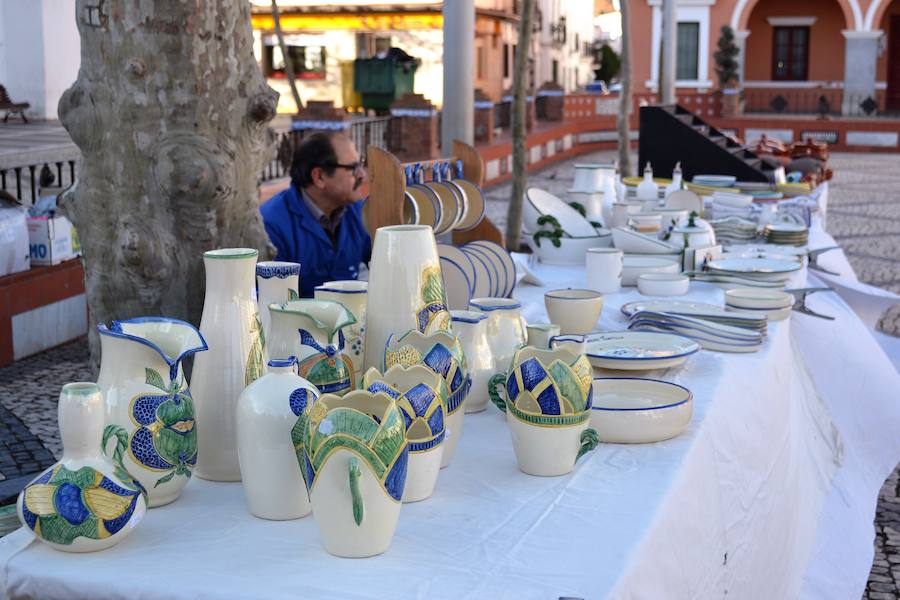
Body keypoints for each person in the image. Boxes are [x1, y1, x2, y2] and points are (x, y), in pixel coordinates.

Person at [261, 131, 372, 297]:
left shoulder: (358, 211)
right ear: (319, 176)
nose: (362, 175)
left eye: (361, 164)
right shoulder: (272, 225)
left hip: (352, 318)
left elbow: (387, 265)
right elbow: (273, 304)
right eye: (353, 168)